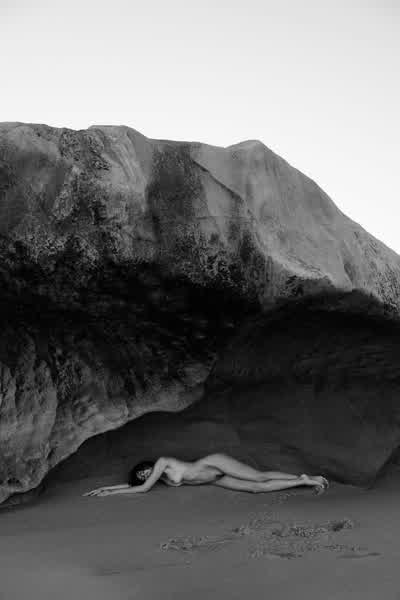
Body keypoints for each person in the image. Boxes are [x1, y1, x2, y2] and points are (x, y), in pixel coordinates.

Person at [83, 454, 329, 497]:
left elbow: (142, 488)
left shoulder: (162, 463)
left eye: (144, 470)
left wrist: (111, 492)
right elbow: (136, 485)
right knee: (255, 489)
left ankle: (306, 476)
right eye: (143, 475)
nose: (146, 474)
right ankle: (302, 481)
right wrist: (108, 489)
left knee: (259, 477)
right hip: (214, 479)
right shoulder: (161, 478)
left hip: (212, 464)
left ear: (148, 466)